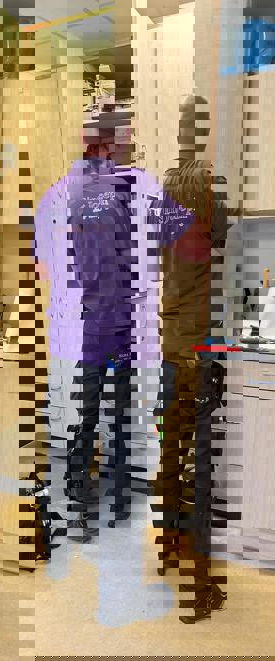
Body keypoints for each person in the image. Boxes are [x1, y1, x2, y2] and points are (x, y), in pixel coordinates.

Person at [34, 114, 138, 543]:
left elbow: (45, 268)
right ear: (108, 145)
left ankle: (78, 510)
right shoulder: (127, 190)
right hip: (121, 325)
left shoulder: (59, 194)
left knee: (86, 417)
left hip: (83, 328)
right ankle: (118, 503)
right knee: (120, 417)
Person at [150, 94, 231, 624]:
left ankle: (168, 548)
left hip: (170, 344)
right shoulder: (208, 183)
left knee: (170, 453)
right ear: (203, 134)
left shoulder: (164, 188)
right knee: (200, 465)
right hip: (199, 346)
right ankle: (200, 587)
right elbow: (219, 238)